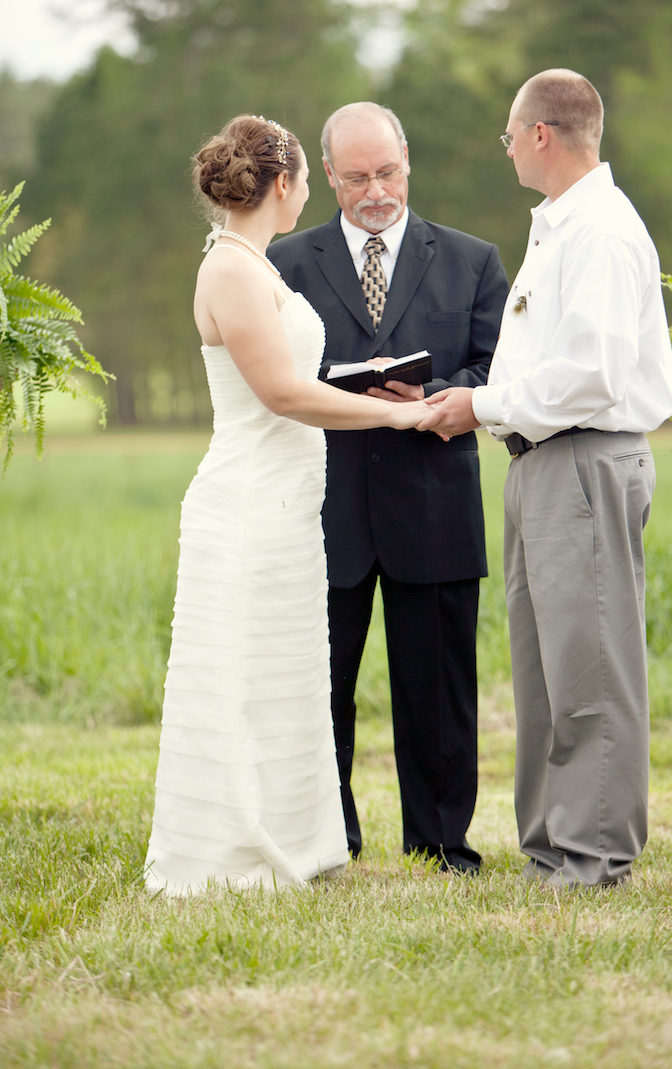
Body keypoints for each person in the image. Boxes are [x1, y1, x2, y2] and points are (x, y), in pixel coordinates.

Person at [144, 114, 431, 896]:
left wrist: (364, 382)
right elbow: (279, 393)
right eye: (306, 178)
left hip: (286, 506)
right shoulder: (231, 271)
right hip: (247, 505)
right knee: (242, 672)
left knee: (285, 672)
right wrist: (396, 415)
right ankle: (231, 847)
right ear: (284, 183)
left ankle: (298, 836)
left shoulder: (254, 265)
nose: (307, 192)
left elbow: (289, 376)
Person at [418, 70, 672, 888]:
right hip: (539, 463)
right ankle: (551, 847)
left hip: (584, 460)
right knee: (545, 670)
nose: (506, 150)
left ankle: (594, 853)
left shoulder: (599, 231)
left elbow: (592, 375)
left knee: (590, 667)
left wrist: (480, 404)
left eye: (509, 135)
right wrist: (479, 405)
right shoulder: (558, 227)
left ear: (540, 134)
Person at [269, 102, 508, 874]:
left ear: (408, 162)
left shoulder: (473, 260)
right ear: (328, 175)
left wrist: (430, 395)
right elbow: (270, 376)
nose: (376, 191)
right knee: (319, 687)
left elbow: (498, 371)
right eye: (357, 178)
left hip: (434, 504)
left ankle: (440, 844)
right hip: (322, 507)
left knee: (438, 690)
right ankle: (327, 840)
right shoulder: (284, 263)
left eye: (388, 173)